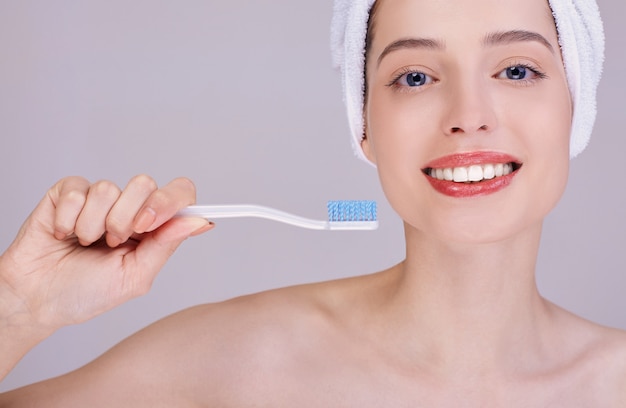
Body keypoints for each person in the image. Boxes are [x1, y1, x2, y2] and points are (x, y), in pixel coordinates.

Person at [1, 0, 624, 405]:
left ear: (578, 109)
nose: (468, 117)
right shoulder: (239, 362)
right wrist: (18, 309)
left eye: (516, 70)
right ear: (365, 126)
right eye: (414, 76)